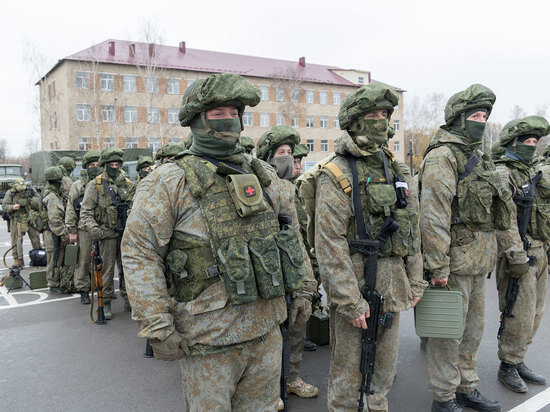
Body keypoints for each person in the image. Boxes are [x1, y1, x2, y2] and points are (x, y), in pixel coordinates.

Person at [122, 73, 314, 411]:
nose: (229, 120)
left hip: (266, 330)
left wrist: (303, 289)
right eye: (217, 113)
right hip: (208, 340)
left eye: (234, 112)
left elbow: (291, 235)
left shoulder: (263, 175)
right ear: (197, 120)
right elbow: (140, 253)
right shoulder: (169, 181)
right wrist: (156, 323)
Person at [314, 82, 425, 411]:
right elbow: (329, 243)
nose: (380, 121)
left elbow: (411, 230)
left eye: (384, 115)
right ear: (354, 121)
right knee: (349, 379)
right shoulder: (335, 172)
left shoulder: (395, 169)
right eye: (372, 115)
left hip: (394, 286)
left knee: (382, 375)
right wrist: (350, 300)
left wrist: (416, 279)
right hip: (358, 287)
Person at [419, 84, 528, 412]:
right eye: (475, 115)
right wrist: (437, 265)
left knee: (471, 334)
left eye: (484, 115)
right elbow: (433, 216)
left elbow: (502, 211)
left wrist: (513, 251)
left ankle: (466, 387)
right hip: (452, 267)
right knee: (446, 336)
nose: (481, 121)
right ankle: (444, 396)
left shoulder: (479, 159)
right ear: (458, 118)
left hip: (479, 264)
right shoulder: (442, 157)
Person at [256, 125, 319, 400]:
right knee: (270, 333)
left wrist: (308, 278)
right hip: (268, 270)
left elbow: (296, 236)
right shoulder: (255, 186)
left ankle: (291, 377)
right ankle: (271, 386)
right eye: (281, 153)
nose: (288, 159)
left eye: (290, 153)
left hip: (293, 266)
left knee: (297, 321)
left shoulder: (292, 189)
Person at [493, 116, 550, 392]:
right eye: (526, 141)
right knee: (518, 313)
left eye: (534, 142)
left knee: (536, 313)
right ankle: (508, 364)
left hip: (540, 251)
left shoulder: (530, 171)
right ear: (512, 143)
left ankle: (519, 359)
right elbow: (504, 221)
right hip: (520, 253)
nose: (531, 146)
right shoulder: (505, 173)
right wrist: (516, 255)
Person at [80, 148, 133, 319]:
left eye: (117, 164)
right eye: (111, 164)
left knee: (128, 268)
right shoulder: (95, 185)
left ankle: (128, 299)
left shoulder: (127, 183)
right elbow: (85, 212)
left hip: (126, 234)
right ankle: (107, 301)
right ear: (104, 165)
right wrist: (93, 228)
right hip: (107, 234)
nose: (115, 167)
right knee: (108, 270)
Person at [65, 150, 102, 304]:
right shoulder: (78, 185)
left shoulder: (104, 182)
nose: (95, 167)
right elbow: (71, 208)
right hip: (83, 228)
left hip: (101, 227)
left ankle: (102, 287)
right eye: (92, 165)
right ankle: (83, 289)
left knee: (102, 260)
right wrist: (72, 230)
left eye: (97, 164)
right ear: (86, 167)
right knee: (84, 259)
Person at [2, 178, 42, 268]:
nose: (22, 189)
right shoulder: (10, 193)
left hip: (30, 217)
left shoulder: (30, 190)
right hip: (17, 219)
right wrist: (13, 207)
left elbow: (38, 202)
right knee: (16, 240)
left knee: (35, 238)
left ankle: (38, 256)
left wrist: (31, 201)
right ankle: (18, 259)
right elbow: (4, 206)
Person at [42, 166, 69, 294]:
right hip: (52, 233)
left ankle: (56, 281)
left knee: (57, 257)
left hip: (52, 231)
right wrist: (63, 233)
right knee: (54, 257)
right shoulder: (52, 197)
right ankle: (53, 283)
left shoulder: (51, 193)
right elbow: (54, 219)